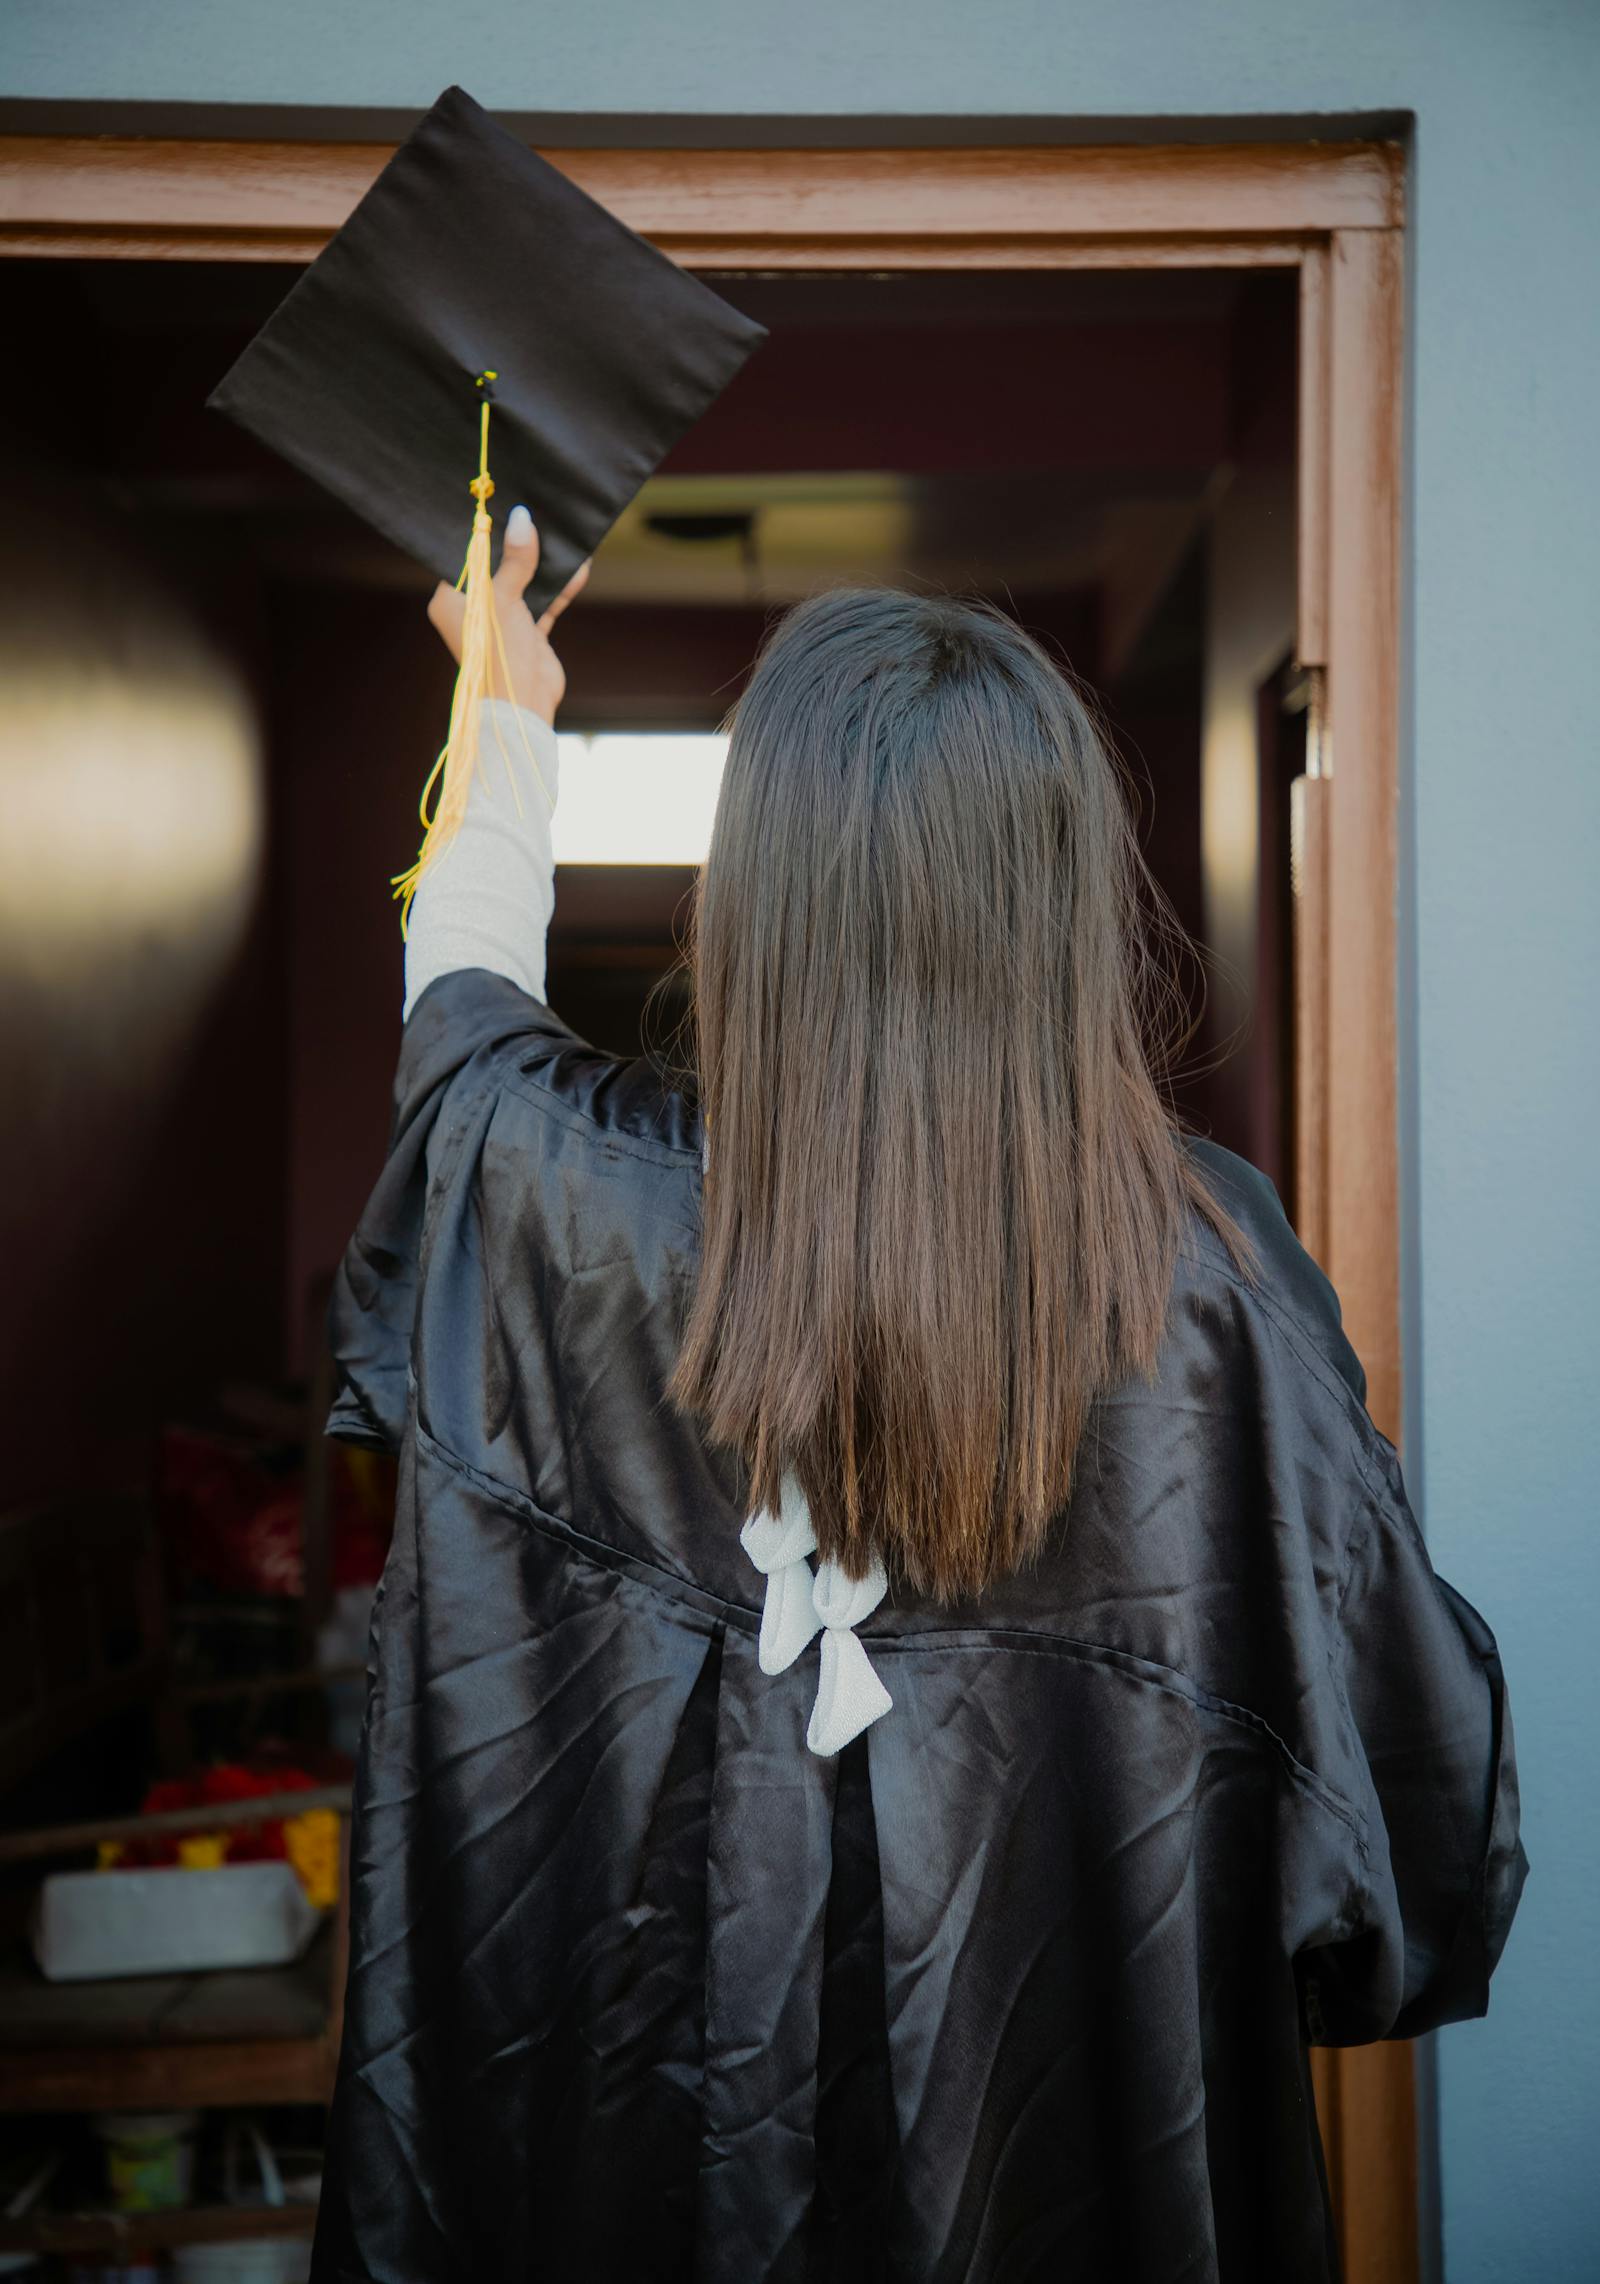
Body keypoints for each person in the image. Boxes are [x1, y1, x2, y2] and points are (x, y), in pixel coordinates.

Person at [310, 509, 1527, 2284]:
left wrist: (502, 718)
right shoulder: (1210, 1295)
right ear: (1058, 900)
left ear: (752, 900)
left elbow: (464, 1022)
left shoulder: (557, 1201)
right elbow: (1404, 1839)